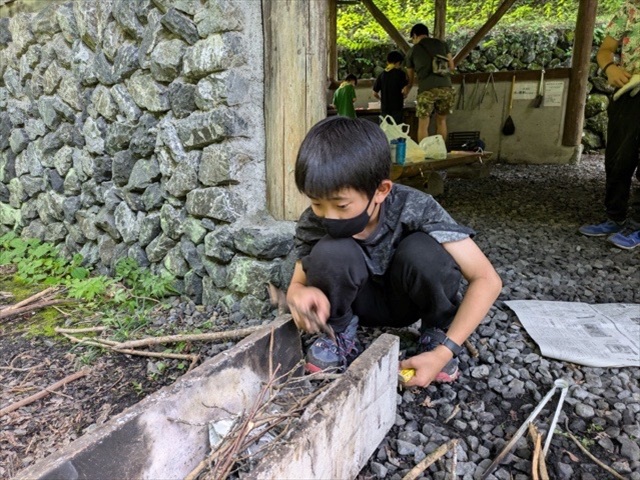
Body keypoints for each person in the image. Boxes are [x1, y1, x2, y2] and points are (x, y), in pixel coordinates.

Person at [286, 116, 502, 388]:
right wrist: (298, 294)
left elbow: (486, 279)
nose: (327, 216)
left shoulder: (415, 206)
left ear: (381, 190)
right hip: (354, 305)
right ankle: (338, 334)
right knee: (330, 250)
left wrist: (445, 351)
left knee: (424, 252)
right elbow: (298, 279)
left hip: (407, 302)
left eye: (341, 206)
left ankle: (436, 333)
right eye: (317, 203)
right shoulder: (314, 220)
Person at [578, 2, 640, 250]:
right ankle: (615, 216)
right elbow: (604, 51)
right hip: (628, 90)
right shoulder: (629, 10)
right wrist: (610, 68)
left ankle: (638, 225)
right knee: (617, 158)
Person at [402, 23, 455, 143]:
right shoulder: (442, 44)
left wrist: (407, 89)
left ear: (414, 35)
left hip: (426, 90)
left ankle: (424, 154)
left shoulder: (412, 51)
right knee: (441, 121)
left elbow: (410, 78)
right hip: (446, 88)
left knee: (423, 123)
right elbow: (451, 67)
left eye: (412, 39)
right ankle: (440, 151)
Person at [373, 50, 409, 125]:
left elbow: (374, 93)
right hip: (397, 108)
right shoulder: (401, 74)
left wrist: (381, 99)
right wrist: (404, 95)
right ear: (398, 62)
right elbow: (405, 91)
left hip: (384, 109)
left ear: (387, 62)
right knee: (396, 131)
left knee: (385, 131)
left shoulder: (381, 75)